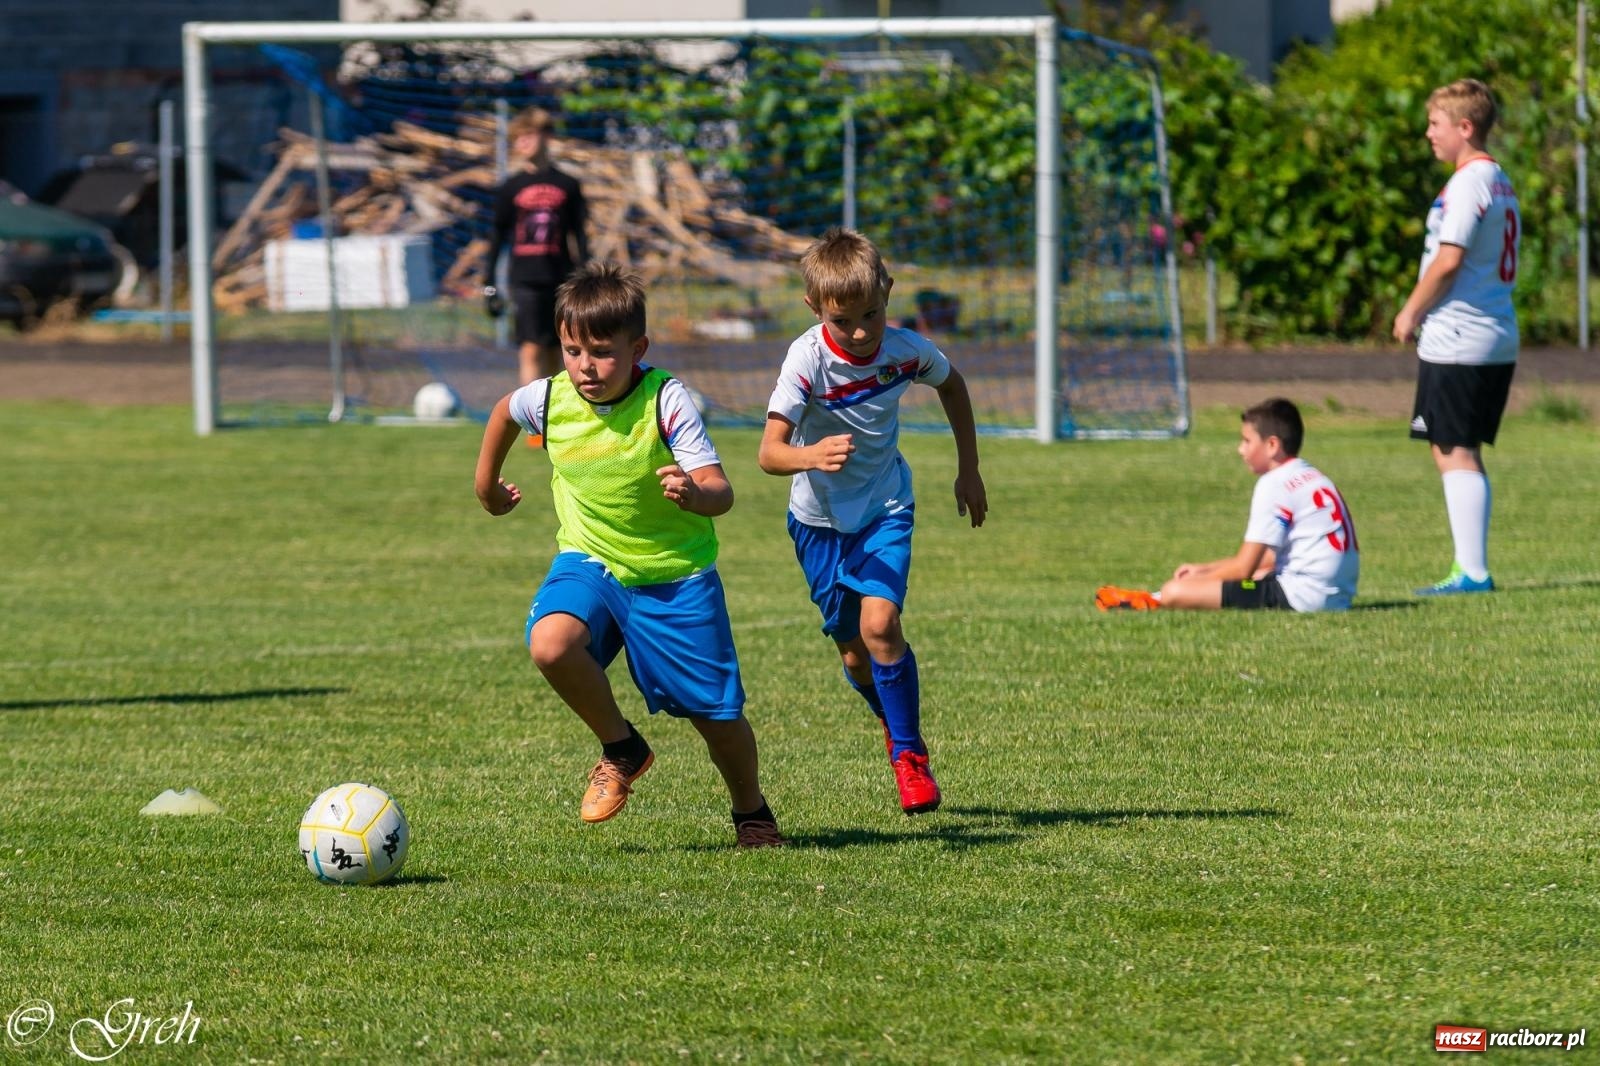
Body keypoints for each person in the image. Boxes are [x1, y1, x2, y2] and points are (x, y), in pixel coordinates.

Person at [474, 261, 783, 848]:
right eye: (572, 351)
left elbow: (721, 491)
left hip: (673, 576)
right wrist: (486, 484)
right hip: (591, 560)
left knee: (715, 717)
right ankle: (621, 747)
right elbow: (504, 411)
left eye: (602, 353)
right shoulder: (550, 397)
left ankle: (751, 810)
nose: (585, 367)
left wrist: (695, 494)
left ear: (637, 348)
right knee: (550, 644)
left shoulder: (666, 400)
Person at [757, 227, 987, 816]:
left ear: (888, 292)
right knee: (855, 654)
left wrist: (969, 469)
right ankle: (893, 720)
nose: (860, 332)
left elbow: (953, 386)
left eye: (871, 315)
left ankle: (909, 755)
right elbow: (769, 454)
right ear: (815, 308)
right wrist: (811, 455)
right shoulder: (806, 359)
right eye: (843, 321)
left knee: (881, 625)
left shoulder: (907, 350)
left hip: (886, 508)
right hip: (816, 523)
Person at [1391, 78, 1519, 595]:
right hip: (1492, 327)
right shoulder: (1498, 178)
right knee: (1459, 447)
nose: (1428, 133)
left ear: (1465, 127)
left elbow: (1449, 260)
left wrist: (1410, 311)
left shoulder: (1469, 182)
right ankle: (1470, 568)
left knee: (1452, 448)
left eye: (1435, 124)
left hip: (1461, 332)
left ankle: (1472, 572)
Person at [1095, 398, 1359, 613]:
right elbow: (1267, 559)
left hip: (1302, 598)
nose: (1240, 450)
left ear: (1272, 445)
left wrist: (1197, 582)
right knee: (1258, 575)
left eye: (1247, 441)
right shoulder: (1313, 476)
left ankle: (1152, 599)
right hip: (1335, 597)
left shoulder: (1273, 483)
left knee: (1175, 590)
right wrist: (1206, 568)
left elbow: (1244, 569)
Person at [483, 107, 589, 386]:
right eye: (518, 138)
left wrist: (585, 278)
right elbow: (497, 236)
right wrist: (489, 283)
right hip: (525, 280)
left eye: (529, 135)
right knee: (531, 348)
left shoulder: (568, 185)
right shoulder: (511, 187)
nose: (523, 142)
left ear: (546, 136)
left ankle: (556, 408)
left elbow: (579, 235)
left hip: (562, 278)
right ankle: (532, 413)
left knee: (560, 348)